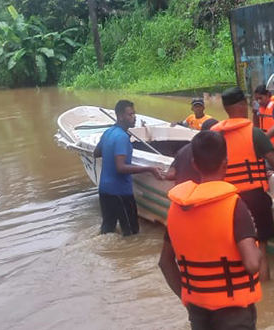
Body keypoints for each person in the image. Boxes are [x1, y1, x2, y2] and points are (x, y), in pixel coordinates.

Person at [159, 131, 262, 330]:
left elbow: (165, 263)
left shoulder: (176, 207)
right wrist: (257, 243)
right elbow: (252, 264)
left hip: (198, 312)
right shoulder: (234, 206)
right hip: (235, 314)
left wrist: (189, 297)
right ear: (226, 161)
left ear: (195, 164)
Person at [212, 87, 274, 281]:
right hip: (254, 197)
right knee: (261, 249)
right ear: (243, 105)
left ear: (225, 108)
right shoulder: (255, 134)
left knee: (235, 248)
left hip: (227, 199)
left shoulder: (213, 134)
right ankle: (264, 289)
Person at [93, 100, 163, 236]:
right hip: (120, 192)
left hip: (104, 190)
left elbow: (96, 153)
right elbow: (121, 167)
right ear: (120, 117)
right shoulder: (122, 138)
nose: (134, 117)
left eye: (134, 114)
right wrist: (149, 168)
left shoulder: (108, 132)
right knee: (132, 234)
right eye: (130, 114)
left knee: (107, 230)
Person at [165, 119, 219, 184]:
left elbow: (170, 175)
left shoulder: (184, 150)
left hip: (179, 191)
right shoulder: (212, 153)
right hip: (199, 191)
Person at [253, 85, 274, 158]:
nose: (259, 101)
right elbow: (257, 127)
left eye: (261, 98)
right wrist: (254, 114)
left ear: (268, 95)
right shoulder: (260, 109)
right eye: (256, 99)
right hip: (266, 146)